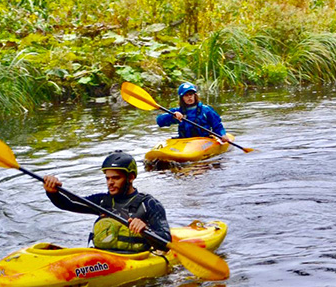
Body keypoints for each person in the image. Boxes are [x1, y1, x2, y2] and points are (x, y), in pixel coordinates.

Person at [43, 151, 171, 253]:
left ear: (131, 177)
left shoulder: (149, 204)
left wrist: (146, 230)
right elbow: (68, 204)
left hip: (134, 259)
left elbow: (166, 242)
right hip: (102, 258)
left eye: (116, 178)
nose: (110, 183)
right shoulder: (102, 201)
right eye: (107, 178)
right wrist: (52, 192)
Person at [156, 82, 226, 141]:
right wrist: (172, 116)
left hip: (203, 140)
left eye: (191, 94)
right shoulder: (177, 111)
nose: (189, 97)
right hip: (185, 141)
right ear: (182, 98)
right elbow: (160, 121)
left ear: (195, 95)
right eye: (186, 95)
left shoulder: (206, 110)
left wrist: (222, 135)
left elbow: (217, 125)